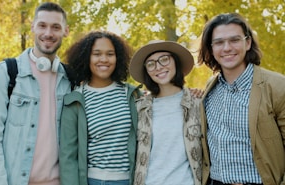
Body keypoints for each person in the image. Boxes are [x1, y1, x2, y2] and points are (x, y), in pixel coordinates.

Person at [0, 2, 71, 185]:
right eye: (42, 26)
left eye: (56, 27)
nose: (48, 33)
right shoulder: (6, 72)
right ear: (32, 27)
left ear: (66, 31)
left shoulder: (70, 79)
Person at [197, 13, 285, 185]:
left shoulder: (277, 86)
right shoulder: (209, 90)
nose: (227, 48)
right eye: (219, 42)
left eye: (234, 40)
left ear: (248, 42)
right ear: (211, 47)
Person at [59, 30, 141, 185]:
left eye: (110, 54)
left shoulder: (132, 94)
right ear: (86, 58)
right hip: (95, 181)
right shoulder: (75, 100)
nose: (104, 59)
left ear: (118, 58)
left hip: (132, 180)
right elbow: (68, 156)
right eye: (96, 54)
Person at [129, 40, 202, 185]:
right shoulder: (139, 108)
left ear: (175, 61)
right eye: (151, 64)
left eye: (164, 59)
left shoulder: (198, 103)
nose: (158, 67)